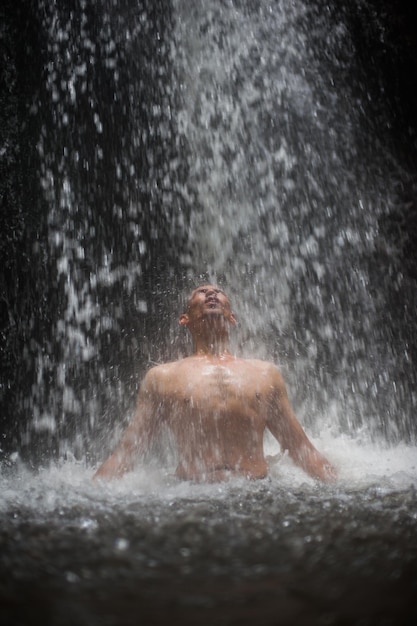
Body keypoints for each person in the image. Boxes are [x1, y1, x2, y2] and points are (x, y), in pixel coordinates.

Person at [93, 284, 337, 483]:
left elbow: (300, 448)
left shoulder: (265, 374)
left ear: (232, 318)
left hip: (256, 491)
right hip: (190, 493)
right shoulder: (161, 377)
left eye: (218, 292)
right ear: (184, 319)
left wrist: (340, 488)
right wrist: (94, 497)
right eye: (201, 291)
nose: (211, 293)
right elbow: (127, 453)